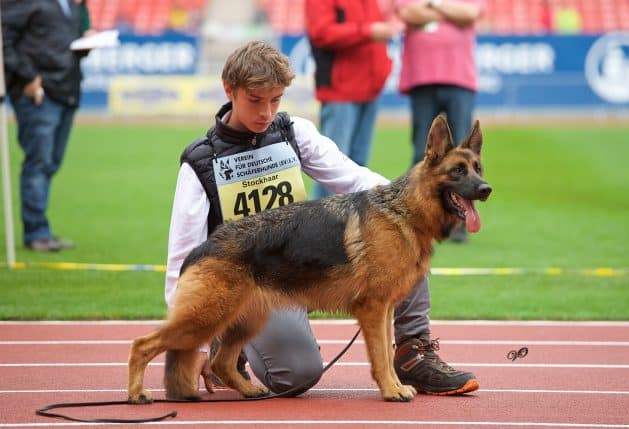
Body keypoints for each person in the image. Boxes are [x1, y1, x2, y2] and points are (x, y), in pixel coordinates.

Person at [165, 40, 479, 397]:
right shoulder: (200, 162)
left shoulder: (293, 132)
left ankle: (413, 353)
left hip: (311, 265)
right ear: (229, 91)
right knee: (297, 376)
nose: (266, 112)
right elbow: (182, 258)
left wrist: (404, 201)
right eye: (255, 100)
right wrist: (195, 346)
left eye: (276, 99)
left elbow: (352, 176)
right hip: (255, 280)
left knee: (402, 239)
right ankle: (226, 340)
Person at [1, 0, 92, 252]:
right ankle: (37, 233)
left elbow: (66, 44)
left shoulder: (73, 4)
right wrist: (26, 77)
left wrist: (87, 42)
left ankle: (39, 228)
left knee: (50, 162)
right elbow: (4, 39)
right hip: (37, 93)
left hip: (67, 89)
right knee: (38, 162)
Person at [395, 0, 484, 243]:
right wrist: (449, 12)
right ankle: (417, 219)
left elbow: (469, 13)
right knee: (423, 154)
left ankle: (459, 223)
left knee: (464, 157)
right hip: (421, 78)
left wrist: (434, 4)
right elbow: (408, 13)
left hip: (459, 79)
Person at [304, 0, 399, 199]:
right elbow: (321, 33)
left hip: (369, 90)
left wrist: (383, 68)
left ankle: (347, 226)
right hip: (340, 91)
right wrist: (368, 31)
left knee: (358, 168)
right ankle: (319, 228)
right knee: (330, 169)